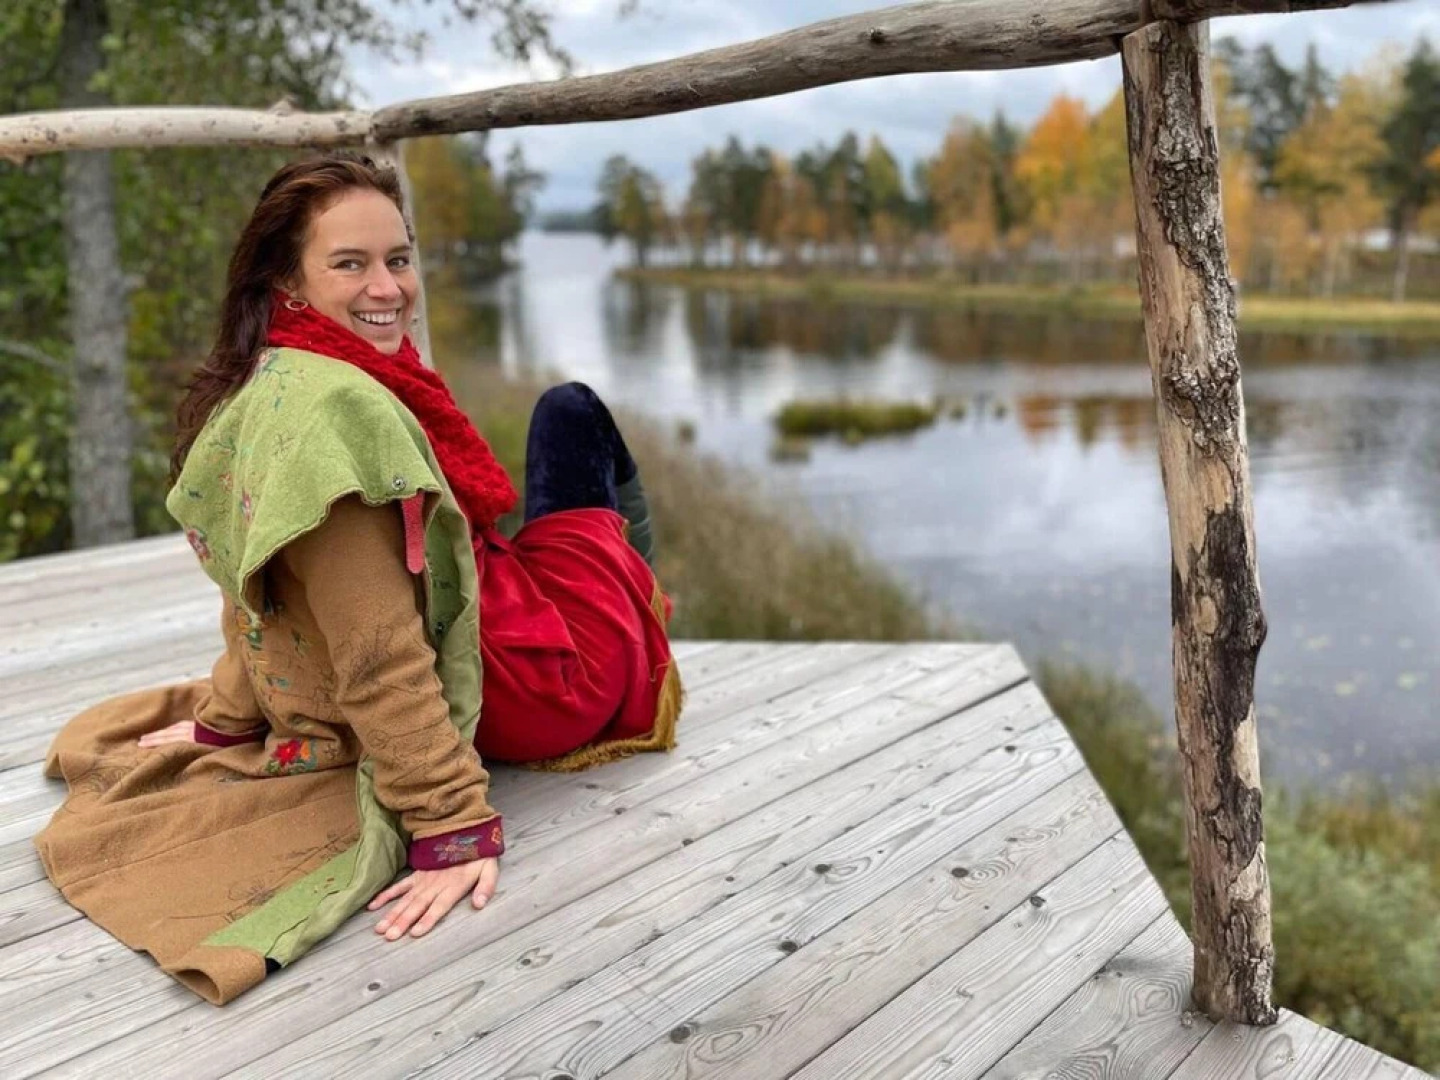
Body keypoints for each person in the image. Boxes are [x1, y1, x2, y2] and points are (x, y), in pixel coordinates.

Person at [34, 151, 682, 1005]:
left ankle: (634, 590)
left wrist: (227, 719)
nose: (389, 288)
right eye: (350, 263)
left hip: (494, 618)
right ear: (286, 279)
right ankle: (644, 606)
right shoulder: (338, 416)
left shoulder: (272, 381)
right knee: (572, 415)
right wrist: (451, 825)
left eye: (398, 258)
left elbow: (257, 594)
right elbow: (378, 652)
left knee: (563, 465)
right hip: (538, 681)